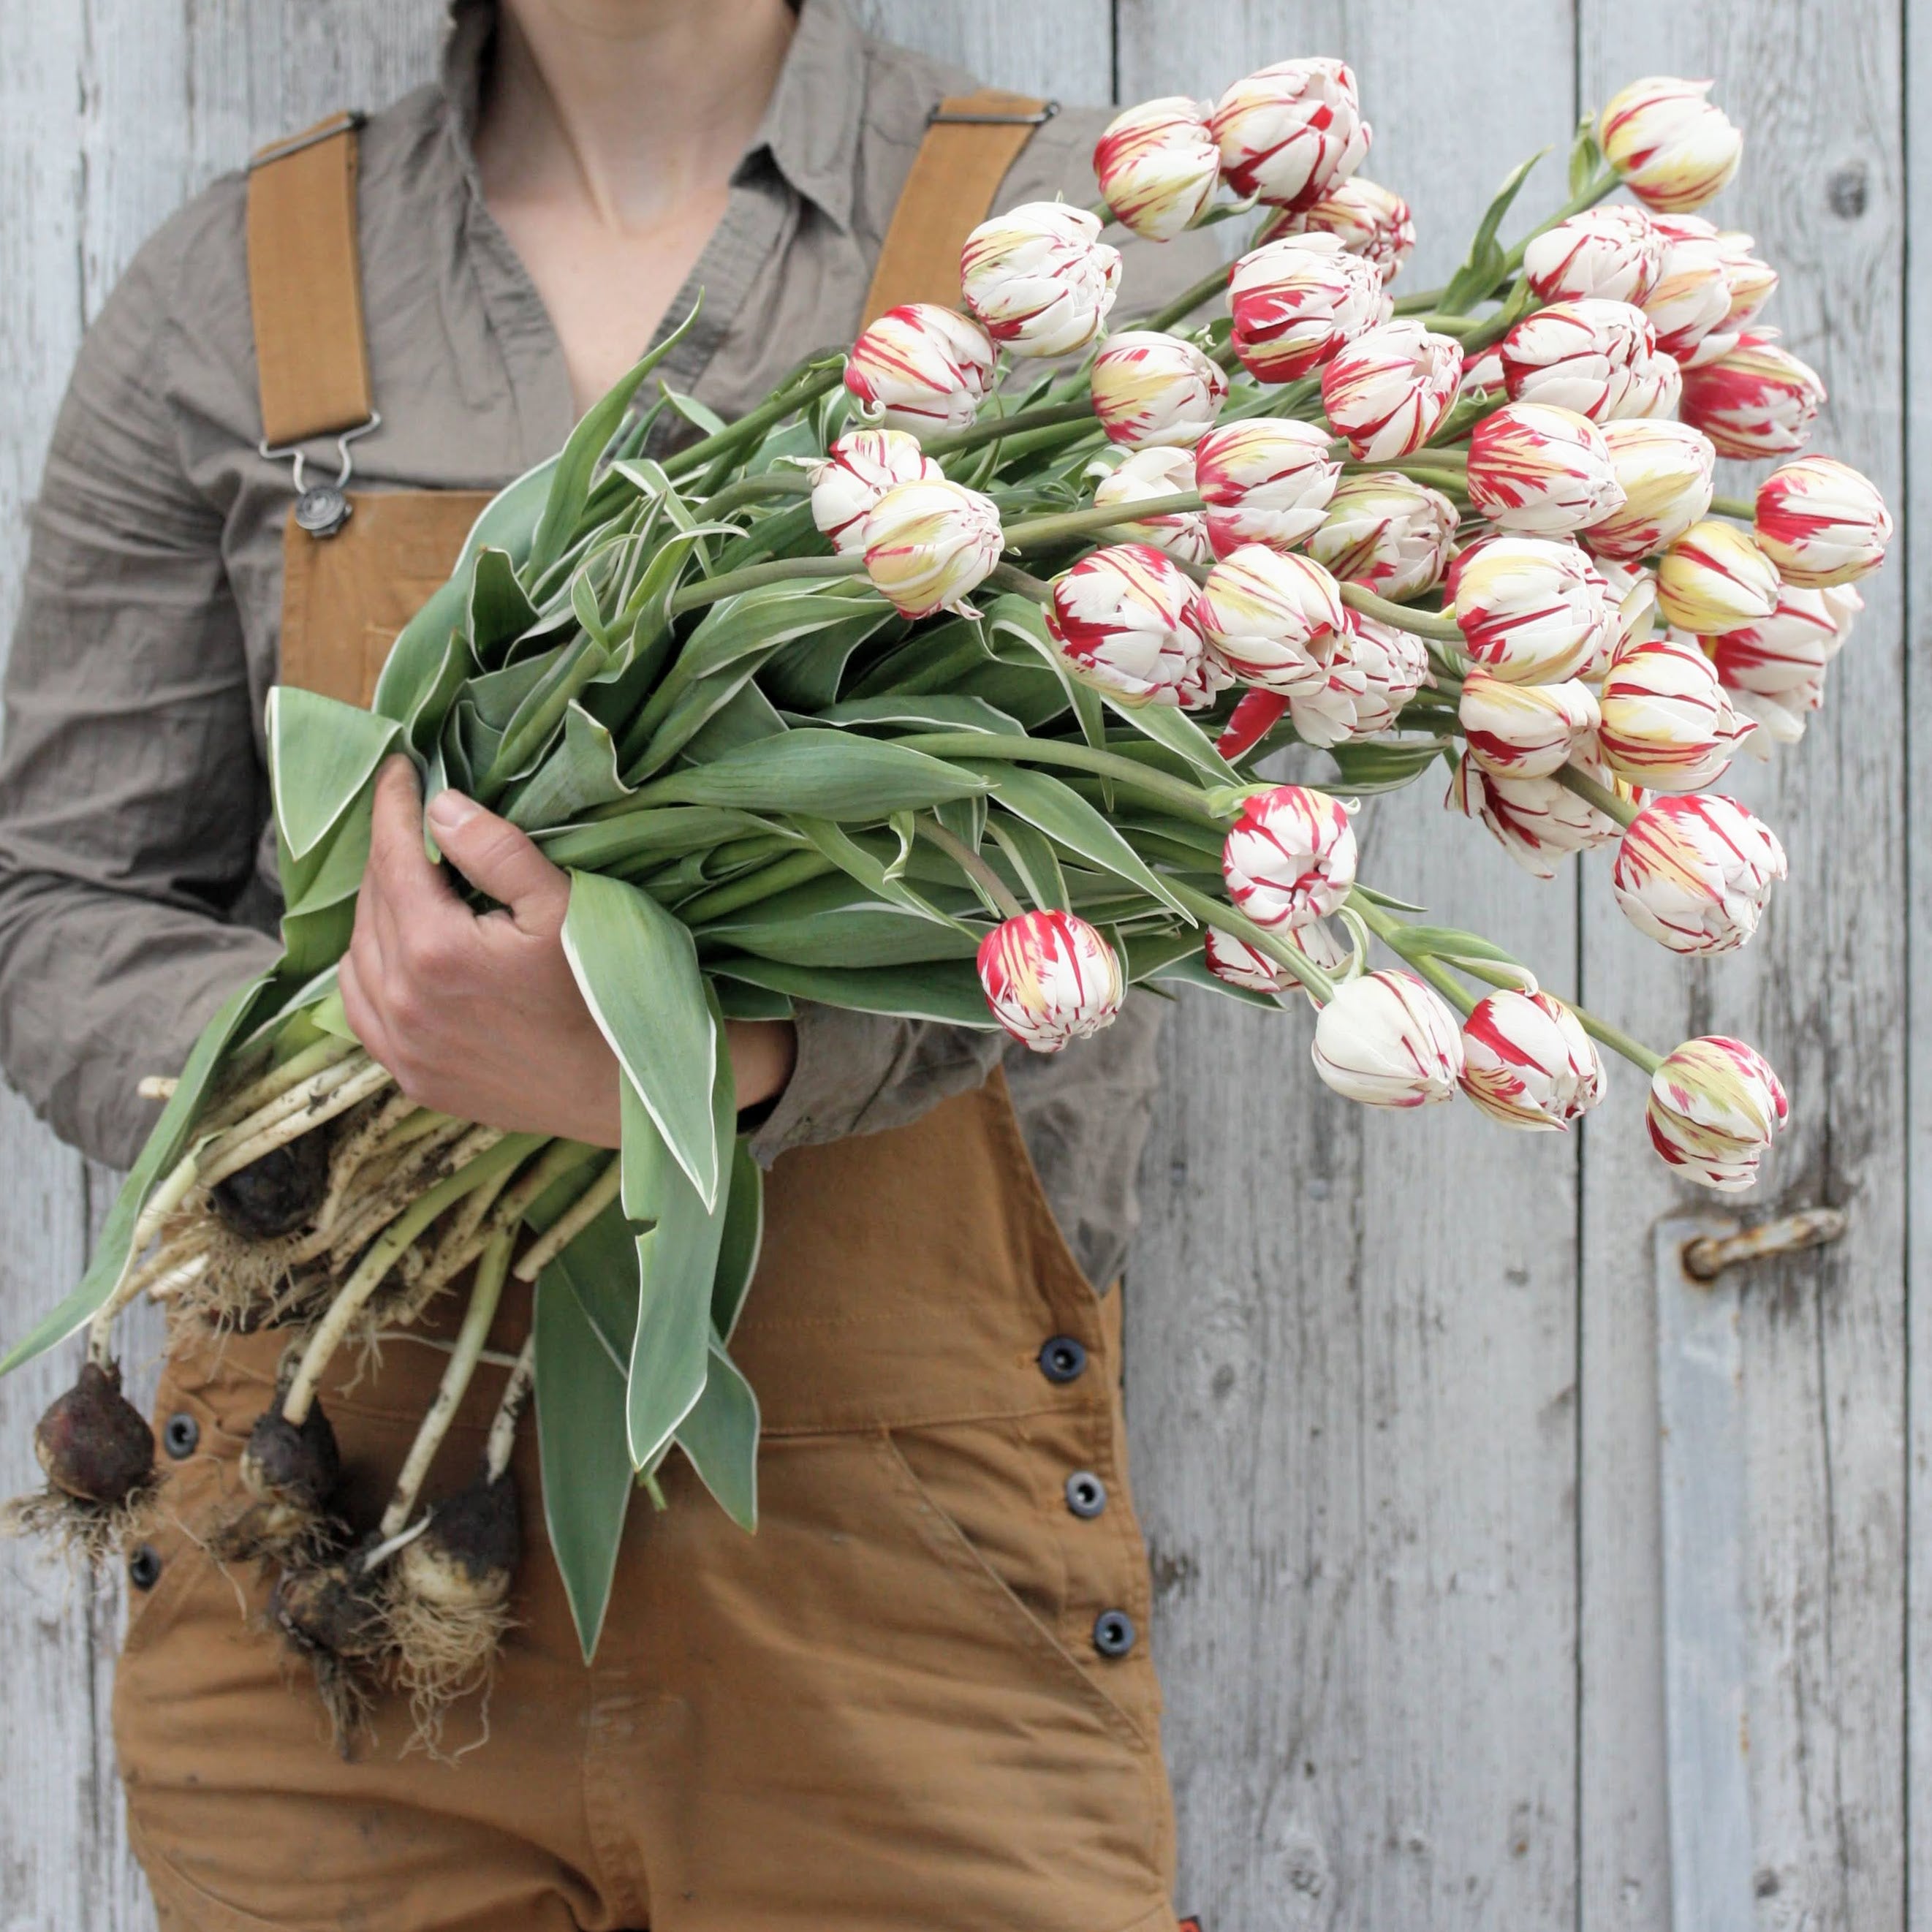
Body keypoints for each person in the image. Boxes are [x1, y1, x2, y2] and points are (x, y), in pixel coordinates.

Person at [0, 2, 1221, 1926]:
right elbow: (64, 896)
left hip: (901, 1605)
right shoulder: (239, 291)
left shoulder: (1070, 249)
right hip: (328, 1571)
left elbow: (1154, 863)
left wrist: (707, 1059)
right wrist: (361, 1061)